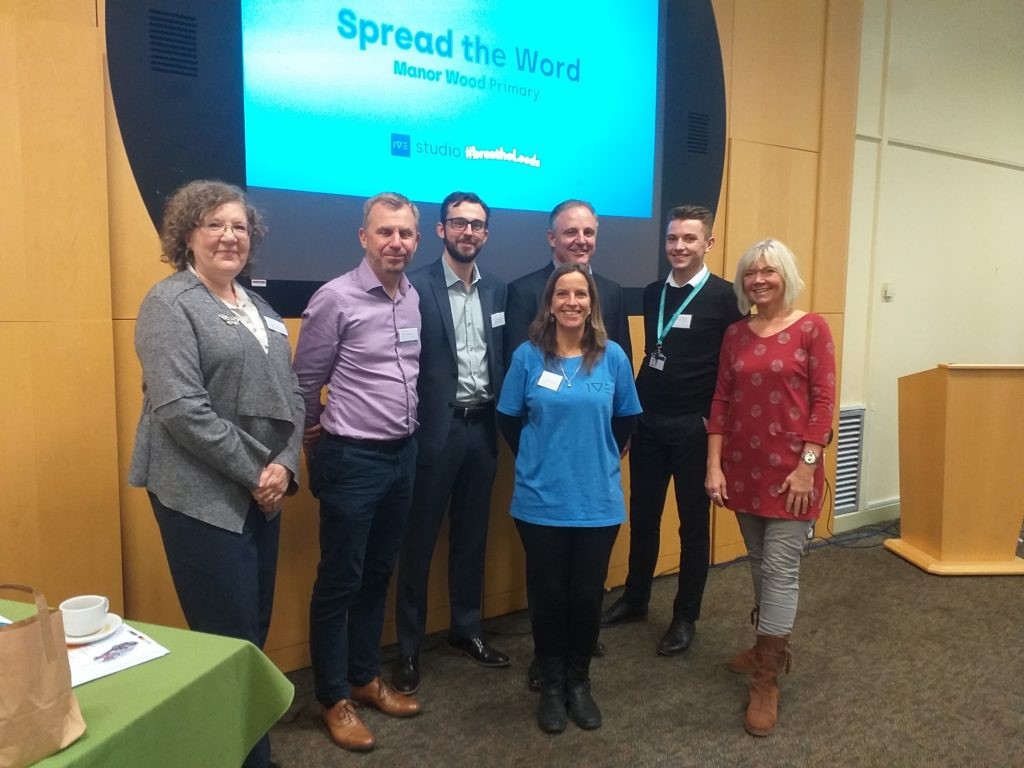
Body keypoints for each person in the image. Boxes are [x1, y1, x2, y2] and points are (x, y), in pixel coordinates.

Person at [129, 179, 304, 768]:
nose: (230, 236)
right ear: (186, 236)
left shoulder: (258, 308)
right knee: (226, 642)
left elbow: (295, 395)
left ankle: (250, 753)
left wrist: (283, 465)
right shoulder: (169, 303)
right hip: (201, 497)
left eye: (239, 226)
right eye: (215, 225)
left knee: (251, 635)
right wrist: (258, 470)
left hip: (263, 491)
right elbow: (180, 409)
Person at [293, 192, 423, 753]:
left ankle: (366, 677)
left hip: (403, 455)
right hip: (353, 459)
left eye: (406, 234)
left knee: (378, 573)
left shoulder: (413, 296)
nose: (397, 242)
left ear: (418, 239)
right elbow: (303, 385)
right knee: (340, 581)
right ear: (363, 237)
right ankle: (332, 697)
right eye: (385, 232)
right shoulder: (335, 298)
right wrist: (318, 446)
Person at [497, 264, 641, 734]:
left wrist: (592, 458)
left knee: (584, 597)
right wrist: (541, 461)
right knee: (549, 597)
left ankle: (580, 682)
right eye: (563, 293)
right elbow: (508, 421)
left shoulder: (613, 356)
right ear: (550, 302)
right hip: (540, 502)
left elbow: (624, 424)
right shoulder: (527, 357)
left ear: (591, 302)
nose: (572, 301)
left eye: (581, 293)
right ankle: (552, 682)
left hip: (597, 501)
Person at [704, 238, 836, 737]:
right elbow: (720, 400)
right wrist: (714, 466)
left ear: (786, 275)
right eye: (750, 273)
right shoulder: (736, 334)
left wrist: (807, 465)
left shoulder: (811, 328)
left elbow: (824, 402)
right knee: (760, 563)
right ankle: (770, 644)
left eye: (768, 271)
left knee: (780, 568)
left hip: (792, 475)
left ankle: (766, 677)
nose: (758, 280)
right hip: (743, 468)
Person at [601, 205, 744, 655]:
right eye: (672, 239)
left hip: (693, 428)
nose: (679, 247)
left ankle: (686, 615)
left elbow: (734, 369)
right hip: (649, 422)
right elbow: (653, 353)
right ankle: (637, 598)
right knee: (642, 516)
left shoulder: (727, 298)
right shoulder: (651, 292)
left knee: (692, 525)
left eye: (689, 239)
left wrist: (712, 421)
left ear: (709, 244)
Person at [392, 192, 509, 695]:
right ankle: (410, 648)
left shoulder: (499, 291)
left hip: (482, 430)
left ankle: (466, 629)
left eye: (477, 225)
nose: (468, 232)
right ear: (439, 230)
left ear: (486, 233)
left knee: (472, 537)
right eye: (458, 223)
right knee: (417, 543)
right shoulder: (413, 287)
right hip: (432, 434)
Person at [505, 199, 632, 363]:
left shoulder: (613, 292)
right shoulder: (523, 292)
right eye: (571, 232)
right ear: (551, 238)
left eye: (588, 233)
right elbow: (518, 366)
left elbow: (623, 362)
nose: (581, 240)